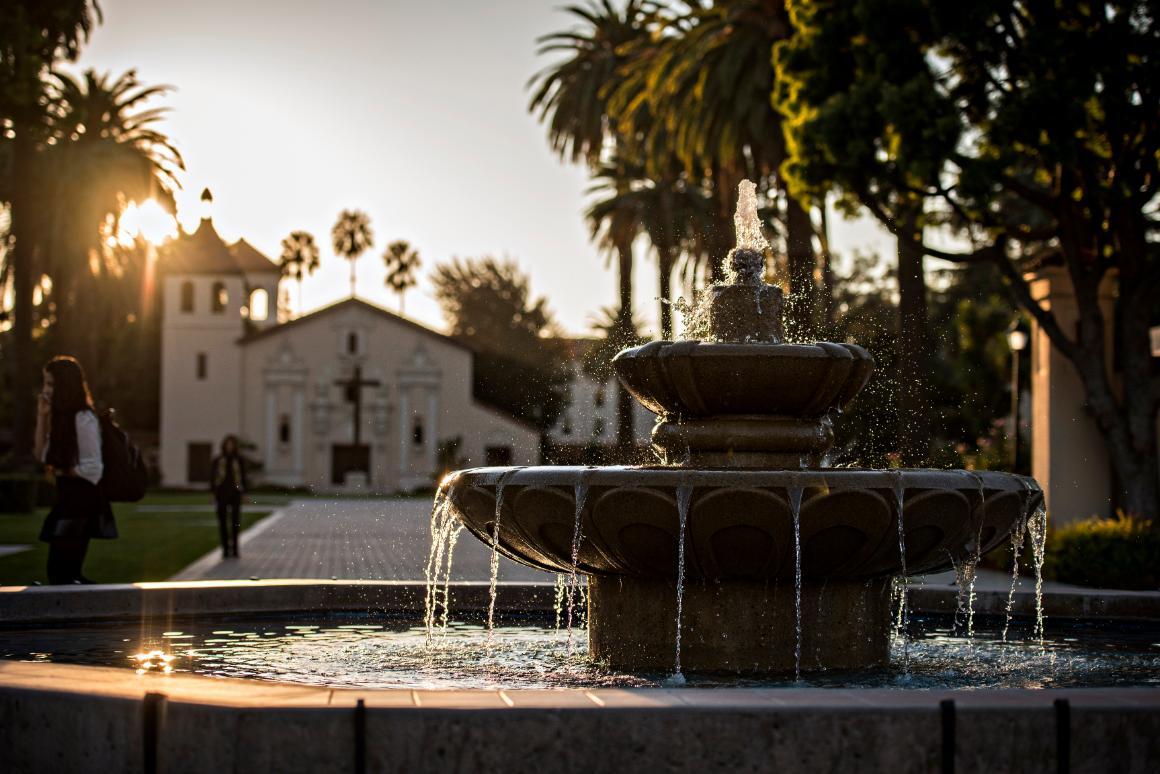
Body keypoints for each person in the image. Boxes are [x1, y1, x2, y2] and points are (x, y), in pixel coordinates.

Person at [33, 356, 117, 584]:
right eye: (45, 383)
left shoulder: (83, 417)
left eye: (50, 384)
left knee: (62, 573)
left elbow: (94, 468)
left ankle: (100, 610)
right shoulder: (61, 419)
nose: (46, 390)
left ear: (64, 385)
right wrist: (42, 417)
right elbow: (41, 455)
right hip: (67, 499)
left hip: (82, 500)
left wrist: (64, 471)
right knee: (63, 574)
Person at [210, 435, 247, 559]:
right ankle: (225, 549)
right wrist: (212, 493)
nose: (230, 446)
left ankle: (235, 549)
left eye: (232, 444)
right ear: (224, 445)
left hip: (235, 494)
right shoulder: (218, 460)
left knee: (235, 523)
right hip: (221, 494)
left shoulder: (239, 460)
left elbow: (243, 478)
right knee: (222, 523)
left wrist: (245, 493)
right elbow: (212, 478)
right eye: (228, 444)